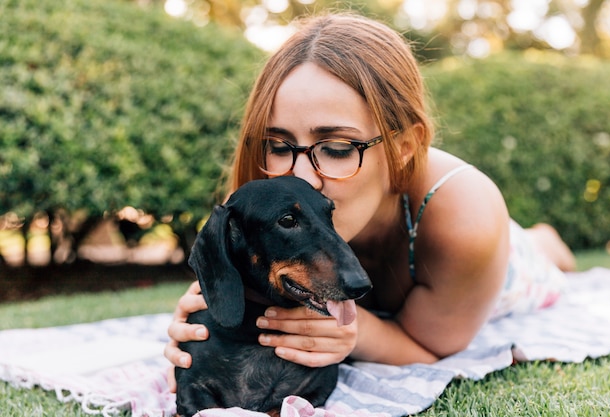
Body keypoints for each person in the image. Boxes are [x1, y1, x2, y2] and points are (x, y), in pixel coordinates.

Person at [164, 13, 576, 391]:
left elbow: (431, 348)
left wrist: (357, 333)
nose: (301, 177)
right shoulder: (266, 196)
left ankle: (545, 240)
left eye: (338, 147)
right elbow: (229, 293)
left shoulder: (464, 215)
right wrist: (202, 330)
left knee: (543, 257)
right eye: (278, 143)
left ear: (403, 147)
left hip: (509, 266)